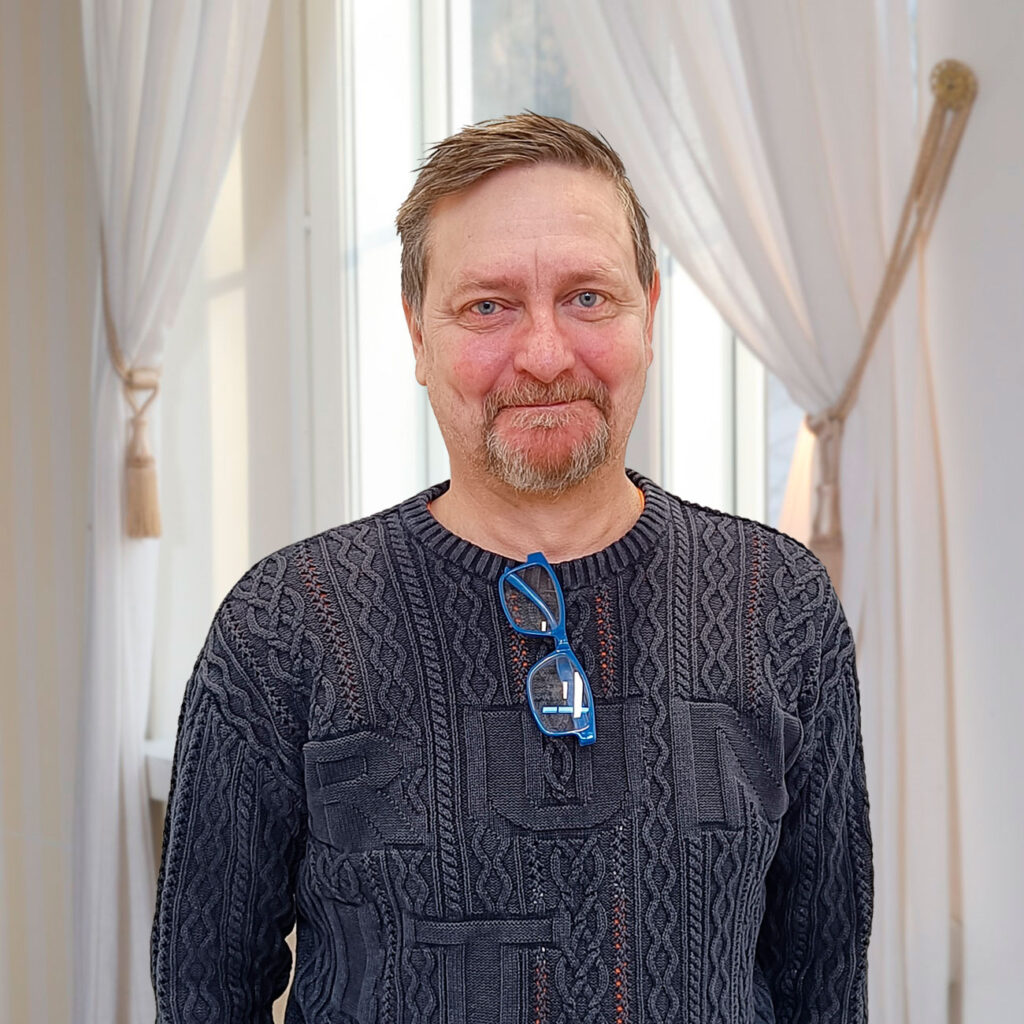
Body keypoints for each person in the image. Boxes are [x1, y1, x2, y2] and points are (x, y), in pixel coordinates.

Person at [152, 113, 872, 1023]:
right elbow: (204, 991)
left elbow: (825, 983)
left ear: (649, 313)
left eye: (587, 298)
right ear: (418, 334)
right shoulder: (284, 623)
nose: (543, 354)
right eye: (488, 306)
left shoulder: (781, 601)